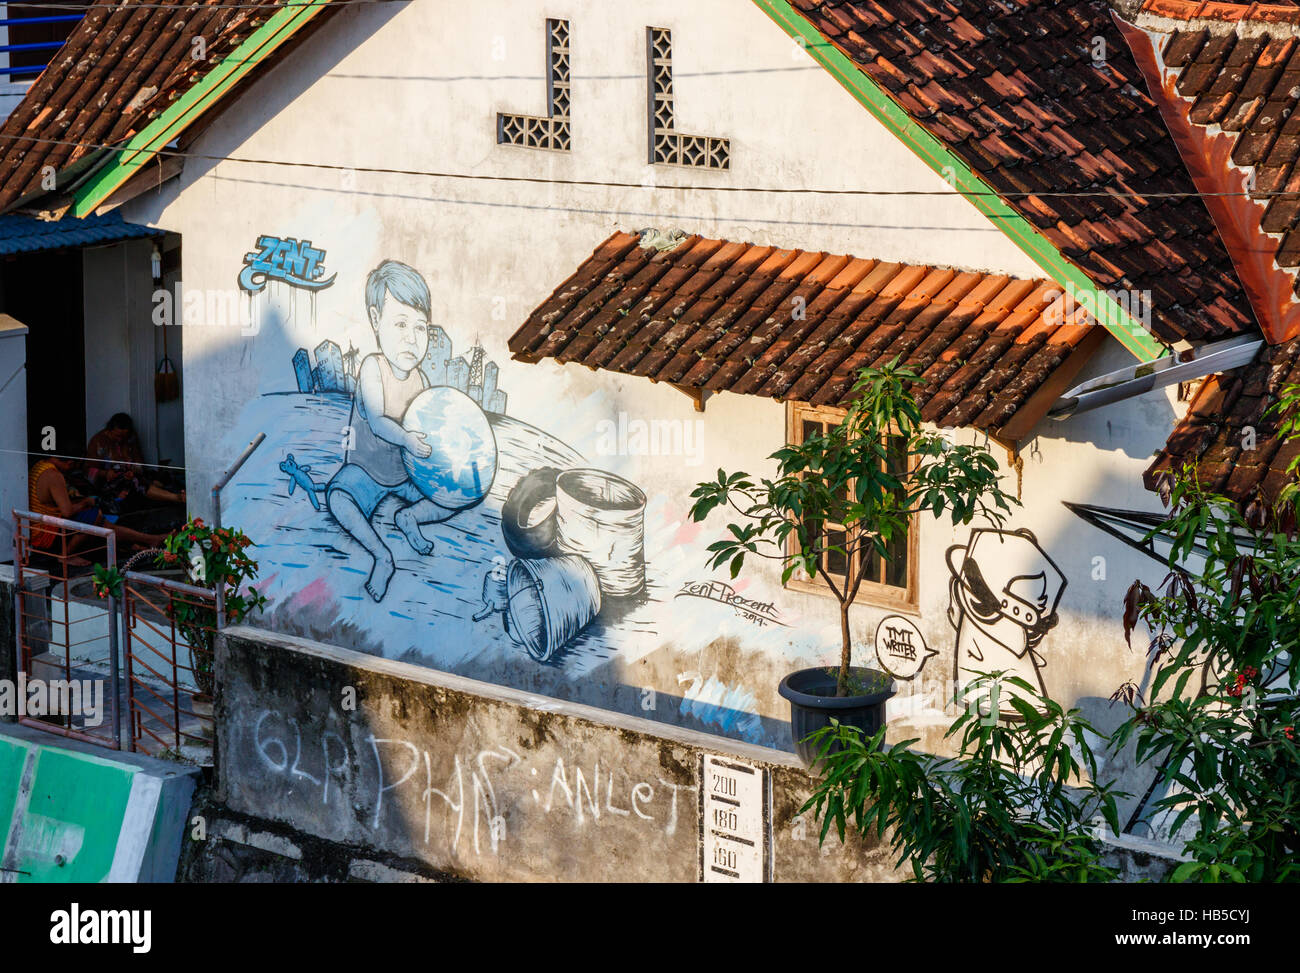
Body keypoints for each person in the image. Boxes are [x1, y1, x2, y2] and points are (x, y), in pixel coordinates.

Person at [325, 260, 454, 602]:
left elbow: (426, 423)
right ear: (375, 319)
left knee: (452, 496)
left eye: (421, 327)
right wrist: (409, 440)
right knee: (337, 497)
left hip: (405, 472)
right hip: (366, 471)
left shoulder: (421, 379)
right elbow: (378, 419)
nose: (412, 338)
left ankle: (408, 518)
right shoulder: (373, 367)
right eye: (400, 324)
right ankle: (382, 555)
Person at [28, 455, 165, 558]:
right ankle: (65, 557)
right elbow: (67, 511)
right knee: (93, 516)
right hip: (45, 536)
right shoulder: (53, 475)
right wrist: (86, 502)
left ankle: (146, 541)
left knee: (102, 524)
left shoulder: (40, 465)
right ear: (70, 461)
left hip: (42, 527)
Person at [86, 413, 185, 505]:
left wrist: (134, 469)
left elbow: (138, 461)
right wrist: (106, 473)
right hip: (109, 481)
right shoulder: (98, 442)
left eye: (123, 436)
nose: (120, 439)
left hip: (130, 476)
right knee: (137, 483)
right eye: (117, 436)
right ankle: (176, 498)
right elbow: (90, 470)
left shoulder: (130, 437)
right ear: (110, 429)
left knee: (159, 477)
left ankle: (173, 494)